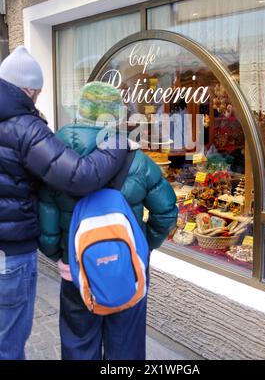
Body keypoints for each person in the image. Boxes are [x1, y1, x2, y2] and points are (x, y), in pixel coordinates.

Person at [0, 47, 127, 360]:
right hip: (9, 254)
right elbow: (79, 176)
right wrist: (117, 140)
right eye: (38, 94)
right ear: (28, 90)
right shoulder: (23, 126)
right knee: (9, 341)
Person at [38, 81, 178, 360]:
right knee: (125, 345)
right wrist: (143, 245)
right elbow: (166, 212)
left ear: (80, 112)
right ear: (117, 116)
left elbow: (45, 220)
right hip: (128, 267)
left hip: (76, 270)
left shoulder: (54, 158)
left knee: (79, 342)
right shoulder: (136, 161)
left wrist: (61, 257)